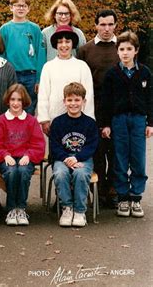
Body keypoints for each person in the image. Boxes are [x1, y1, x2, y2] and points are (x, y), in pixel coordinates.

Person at [101, 31, 152, 218]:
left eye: (129, 49)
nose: (125, 53)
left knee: (138, 158)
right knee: (120, 158)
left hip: (138, 120)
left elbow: (150, 99)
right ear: (117, 51)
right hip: (118, 120)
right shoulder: (112, 74)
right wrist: (106, 124)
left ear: (136, 51)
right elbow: (106, 101)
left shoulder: (145, 72)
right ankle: (123, 197)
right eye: (122, 49)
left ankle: (135, 197)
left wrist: (150, 123)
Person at [78, 9, 120, 207]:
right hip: (94, 107)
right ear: (96, 26)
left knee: (116, 152)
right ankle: (99, 190)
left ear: (115, 25)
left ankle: (112, 191)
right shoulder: (86, 50)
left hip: (117, 107)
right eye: (102, 24)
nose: (106, 28)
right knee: (98, 152)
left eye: (110, 24)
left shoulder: (122, 47)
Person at [0, 84, 45, 226]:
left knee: (23, 171)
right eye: (13, 99)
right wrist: (4, 155)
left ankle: (20, 208)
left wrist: (29, 155)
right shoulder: (0, 120)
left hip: (25, 158)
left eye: (19, 100)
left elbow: (38, 143)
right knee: (11, 172)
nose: (15, 103)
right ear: (8, 100)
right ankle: (11, 209)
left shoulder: (31, 121)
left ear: (24, 101)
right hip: (6, 158)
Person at [50, 83, 99, 227]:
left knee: (81, 174)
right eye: (70, 100)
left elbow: (91, 146)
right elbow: (54, 146)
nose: (73, 104)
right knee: (60, 173)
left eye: (77, 100)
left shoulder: (90, 123)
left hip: (82, 158)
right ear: (64, 101)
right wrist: (66, 158)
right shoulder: (58, 122)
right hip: (62, 158)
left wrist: (76, 158)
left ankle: (79, 211)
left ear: (84, 102)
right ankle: (67, 208)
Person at [38, 25, 95, 136]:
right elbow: (43, 95)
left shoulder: (82, 66)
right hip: (55, 118)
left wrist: (88, 119)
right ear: (56, 45)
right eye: (60, 42)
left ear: (72, 43)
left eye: (67, 41)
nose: (64, 45)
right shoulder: (48, 67)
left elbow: (88, 95)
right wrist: (44, 119)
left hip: (78, 119)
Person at [0, 0, 46, 115]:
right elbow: (1, 55)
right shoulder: (5, 29)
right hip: (12, 75)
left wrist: (39, 79)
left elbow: (40, 55)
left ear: (28, 9)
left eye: (24, 6)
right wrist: (4, 76)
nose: (21, 8)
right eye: (17, 5)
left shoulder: (35, 29)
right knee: (11, 107)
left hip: (30, 76)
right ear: (11, 7)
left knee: (29, 108)